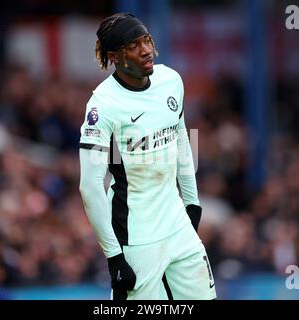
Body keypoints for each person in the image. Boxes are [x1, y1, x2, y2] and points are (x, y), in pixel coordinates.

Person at [79, 12, 216, 300]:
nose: (146, 50)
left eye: (147, 40)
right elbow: (90, 186)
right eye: (133, 45)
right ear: (114, 56)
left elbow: (182, 140)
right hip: (136, 236)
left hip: (178, 223)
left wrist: (192, 201)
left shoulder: (171, 81)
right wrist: (114, 256)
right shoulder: (102, 106)